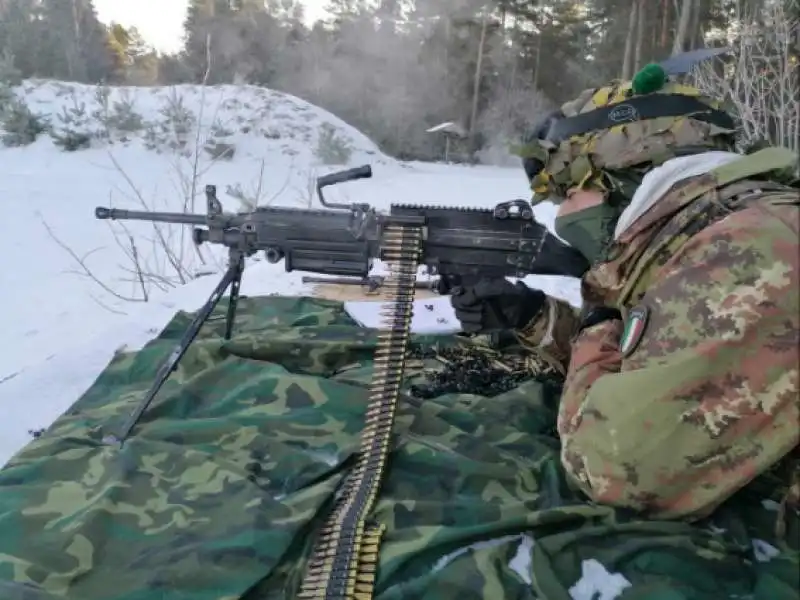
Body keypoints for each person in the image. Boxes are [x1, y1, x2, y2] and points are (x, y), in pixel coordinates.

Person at [451, 63, 800, 521]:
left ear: (615, 177)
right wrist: (537, 318)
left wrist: (600, 318)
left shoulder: (747, 247)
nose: (561, 218)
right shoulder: (725, 230)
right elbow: (665, 351)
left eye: (565, 197)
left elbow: (614, 468)